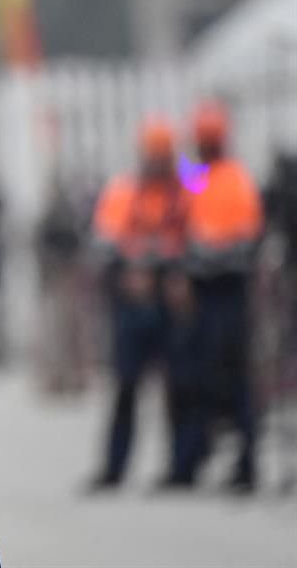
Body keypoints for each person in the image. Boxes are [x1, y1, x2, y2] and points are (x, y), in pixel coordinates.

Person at [86, 116, 191, 489]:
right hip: (132, 299)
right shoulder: (125, 189)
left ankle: (183, 467)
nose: (159, 163)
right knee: (126, 385)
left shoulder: (186, 184)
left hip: (171, 297)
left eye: (166, 156)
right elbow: (105, 240)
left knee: (180, 385)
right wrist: (134, 265)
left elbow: (209, 200)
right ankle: (114, 467)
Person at [177, 99, 264, 492]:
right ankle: (194, 461)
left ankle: (246, 463)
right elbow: (184, 198)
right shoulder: (205, 177)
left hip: (228, 291)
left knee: (235, 377)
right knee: (200, 377)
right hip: (205, 291)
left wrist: (206, 253)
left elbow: (244, 239)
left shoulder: (234, 179)